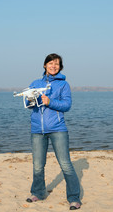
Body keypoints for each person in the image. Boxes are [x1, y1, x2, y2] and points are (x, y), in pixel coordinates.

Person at [25, 53, 81, 210]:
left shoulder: (64, 85)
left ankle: (74, 198)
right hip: (37, 130)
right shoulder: (35, 83)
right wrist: (30, 100)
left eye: (56, 64)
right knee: (37, 165)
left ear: (60, 67)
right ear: (45, 65)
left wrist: (50, 102)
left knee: (65, 164)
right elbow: (28, 104)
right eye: (50, 63)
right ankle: (38, 192)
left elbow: (66, 105)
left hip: (57, 129)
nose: (53, 66)